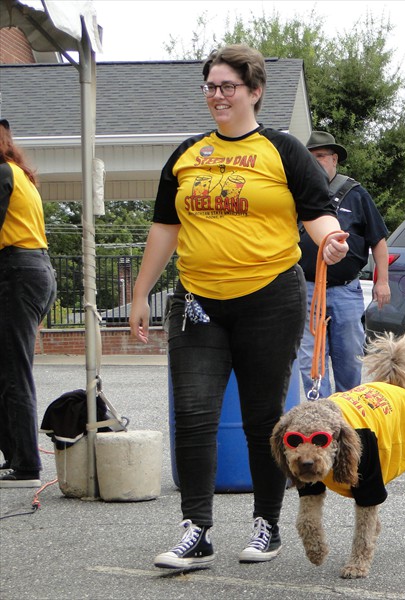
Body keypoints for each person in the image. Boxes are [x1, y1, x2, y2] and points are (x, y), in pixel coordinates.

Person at [128, 45, 349, 570]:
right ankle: (196, 531)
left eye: (228, 86)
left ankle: (267, 525)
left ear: (254, 90)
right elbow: (165, 227)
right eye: (210, 86)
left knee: (262, 419)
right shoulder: (187, 154)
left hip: (270, 298)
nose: (218, 96)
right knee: (194, 415)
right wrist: (140, 293)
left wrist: (333, 239)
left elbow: (316, 213)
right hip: (198, 300)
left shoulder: (283, 150)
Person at [297, 131, 390, 398]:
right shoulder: (298, 194)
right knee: (311, 361)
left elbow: (379, 241)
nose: (315, 162)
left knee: (349, 358)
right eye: (310, 157)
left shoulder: (355, 193)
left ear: (334, 159)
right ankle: (321, 420)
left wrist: (381, 282)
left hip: (345, 290)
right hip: (309, 289)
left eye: (321, 156)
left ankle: (348, 420)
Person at [0, 118, 58, 488]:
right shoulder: (18, 172)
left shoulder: (3, 173)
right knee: (6, 369)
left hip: (17, 272)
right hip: (31, 269)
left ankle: (26, 465)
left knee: (13, 371)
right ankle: (17, 459)